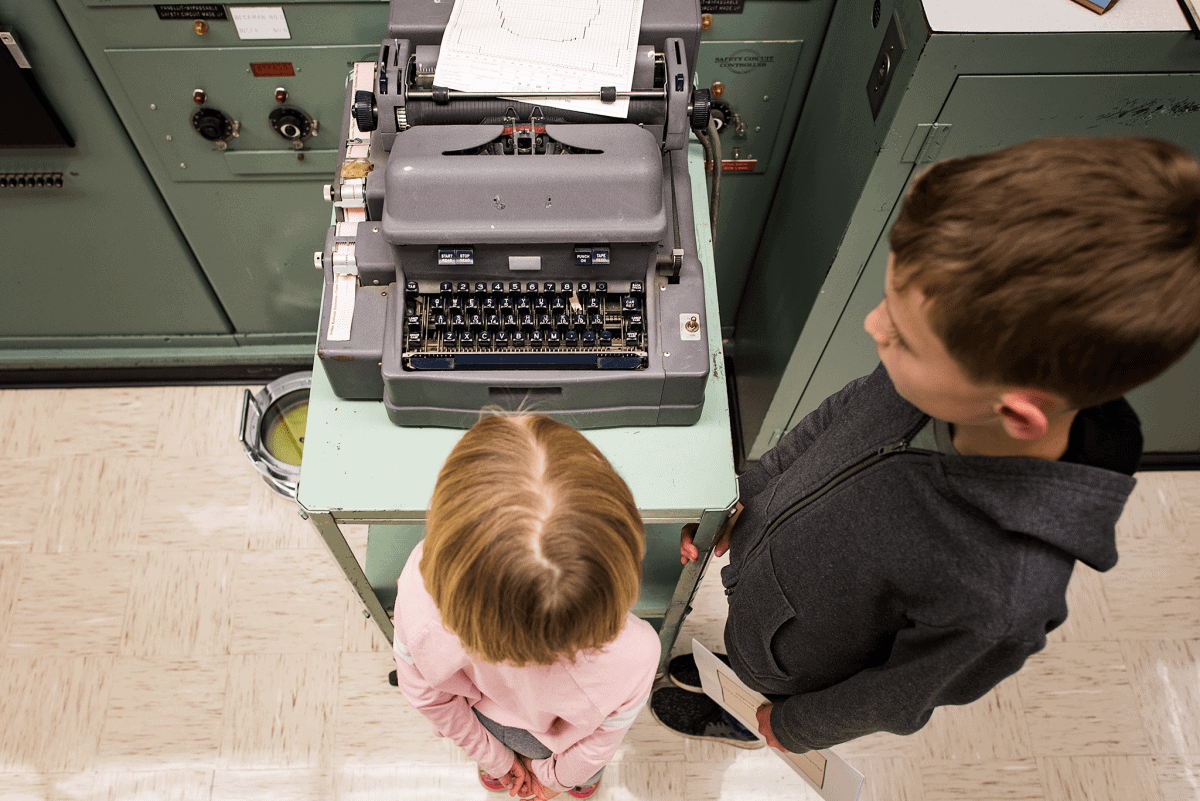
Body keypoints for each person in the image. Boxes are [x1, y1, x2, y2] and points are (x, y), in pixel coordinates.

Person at [651, 136, 1200, 754]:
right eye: (891, 303)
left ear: (1017, 414)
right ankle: (743, 665)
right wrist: (748, 490)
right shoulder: (946, 383)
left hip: (799, 666)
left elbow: (899, 693)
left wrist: (800, 726)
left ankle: (747, 709)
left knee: (763, 682)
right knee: (747, 649)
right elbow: (840, 414)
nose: (873, 326)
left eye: (905, 340)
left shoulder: (1005, 596)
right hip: (766, 591)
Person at [391, 412, 660, 799]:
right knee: (587, 768)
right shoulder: (640, 652)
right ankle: (580, 786)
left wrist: (499, 761)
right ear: (627, 548)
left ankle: (500, 777)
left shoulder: (418, 585)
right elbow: (600, 742)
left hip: (486, 721)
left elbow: (426, 696)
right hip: (555, 742)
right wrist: (552, 780)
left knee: (498, 755)